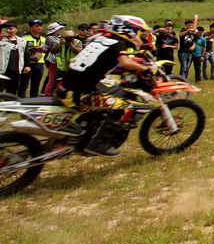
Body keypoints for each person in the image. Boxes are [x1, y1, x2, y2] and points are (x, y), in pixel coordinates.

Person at [57, 15, 154, 156]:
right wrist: (145, 69)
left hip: (69, 84)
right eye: (139, 32)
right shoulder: (118, 43)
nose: (139, 36)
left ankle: (86, 129)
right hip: (78, 93)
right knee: (120, 106)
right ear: (129, 31)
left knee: (112, 91)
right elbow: (125, 62)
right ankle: (99, 144)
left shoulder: (100, 38)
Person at [19, 19, 45, 98]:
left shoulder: (44, 38)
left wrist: (44, 49)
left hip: (39, 63)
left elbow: (47, 50)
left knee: (36, 84)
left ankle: (34, 101)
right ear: (31, 27)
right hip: (27, 63)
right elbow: (20, 50)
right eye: (36, 26)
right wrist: (33, 48)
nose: (39, 27)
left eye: (40, 26)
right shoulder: (24, 37)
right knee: (24, 84)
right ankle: (21, 100)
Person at [0, 22, 26, 95]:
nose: (8, 31)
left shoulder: (22, 41)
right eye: (7, 29)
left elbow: (25, 54)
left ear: (16, 30)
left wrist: (27, 66)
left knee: (12, 90)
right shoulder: (1, 40)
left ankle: (10, 102)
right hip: (3, 70)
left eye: (11, 29)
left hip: (16, 69)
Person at [42, 23, 64, 96]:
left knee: (60, 79)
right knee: (52, 79)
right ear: (55, 30)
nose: (62, 30)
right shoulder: (50, 37)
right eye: (60, 29)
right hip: (52, 61)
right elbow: (56, 45)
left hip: (60, 61)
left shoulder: (60, 37)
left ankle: (56, 94)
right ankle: (48, 95)